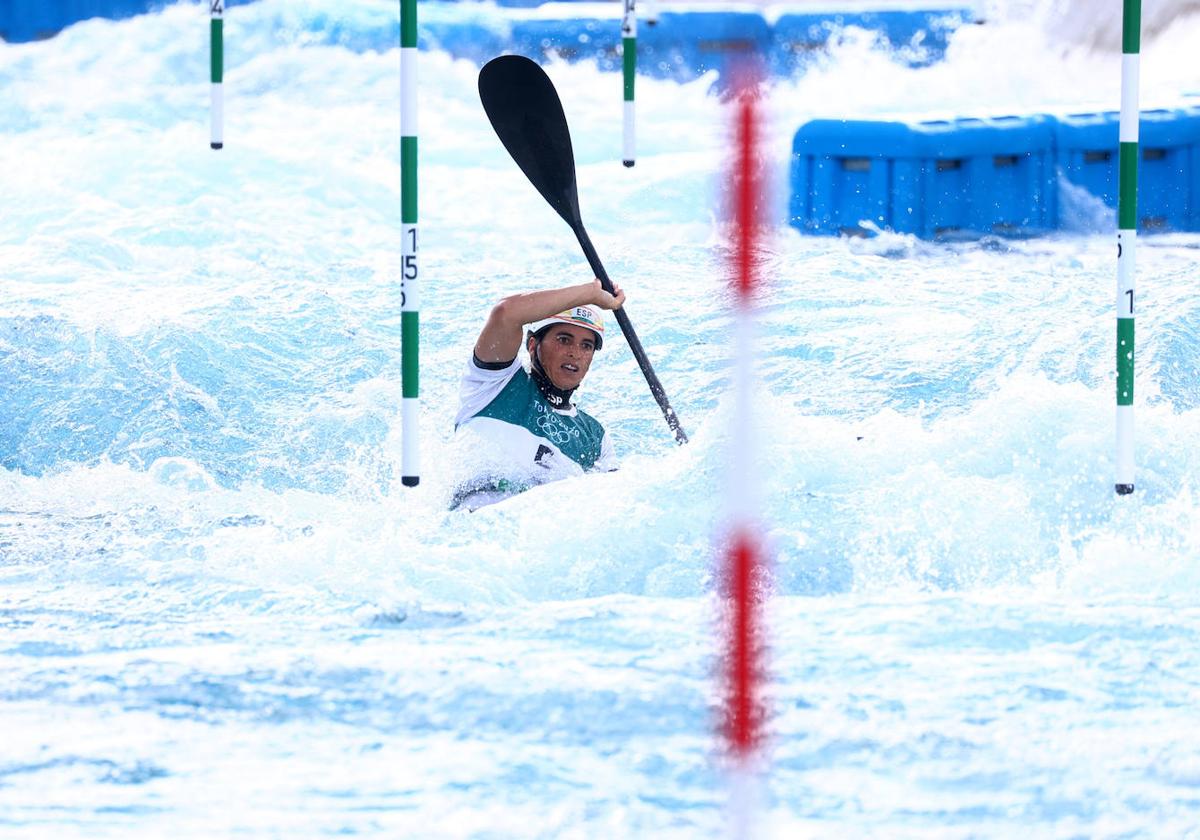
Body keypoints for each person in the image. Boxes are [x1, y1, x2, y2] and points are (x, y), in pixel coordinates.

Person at [451, 278, 626, 509]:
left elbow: (612, 507)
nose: (575, 353)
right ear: (533, 345)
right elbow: (506, 313)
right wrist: (590, 293)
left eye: (587, 346)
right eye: (564, 340)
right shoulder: (494, 383)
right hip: (468, 526)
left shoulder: (596, 437)